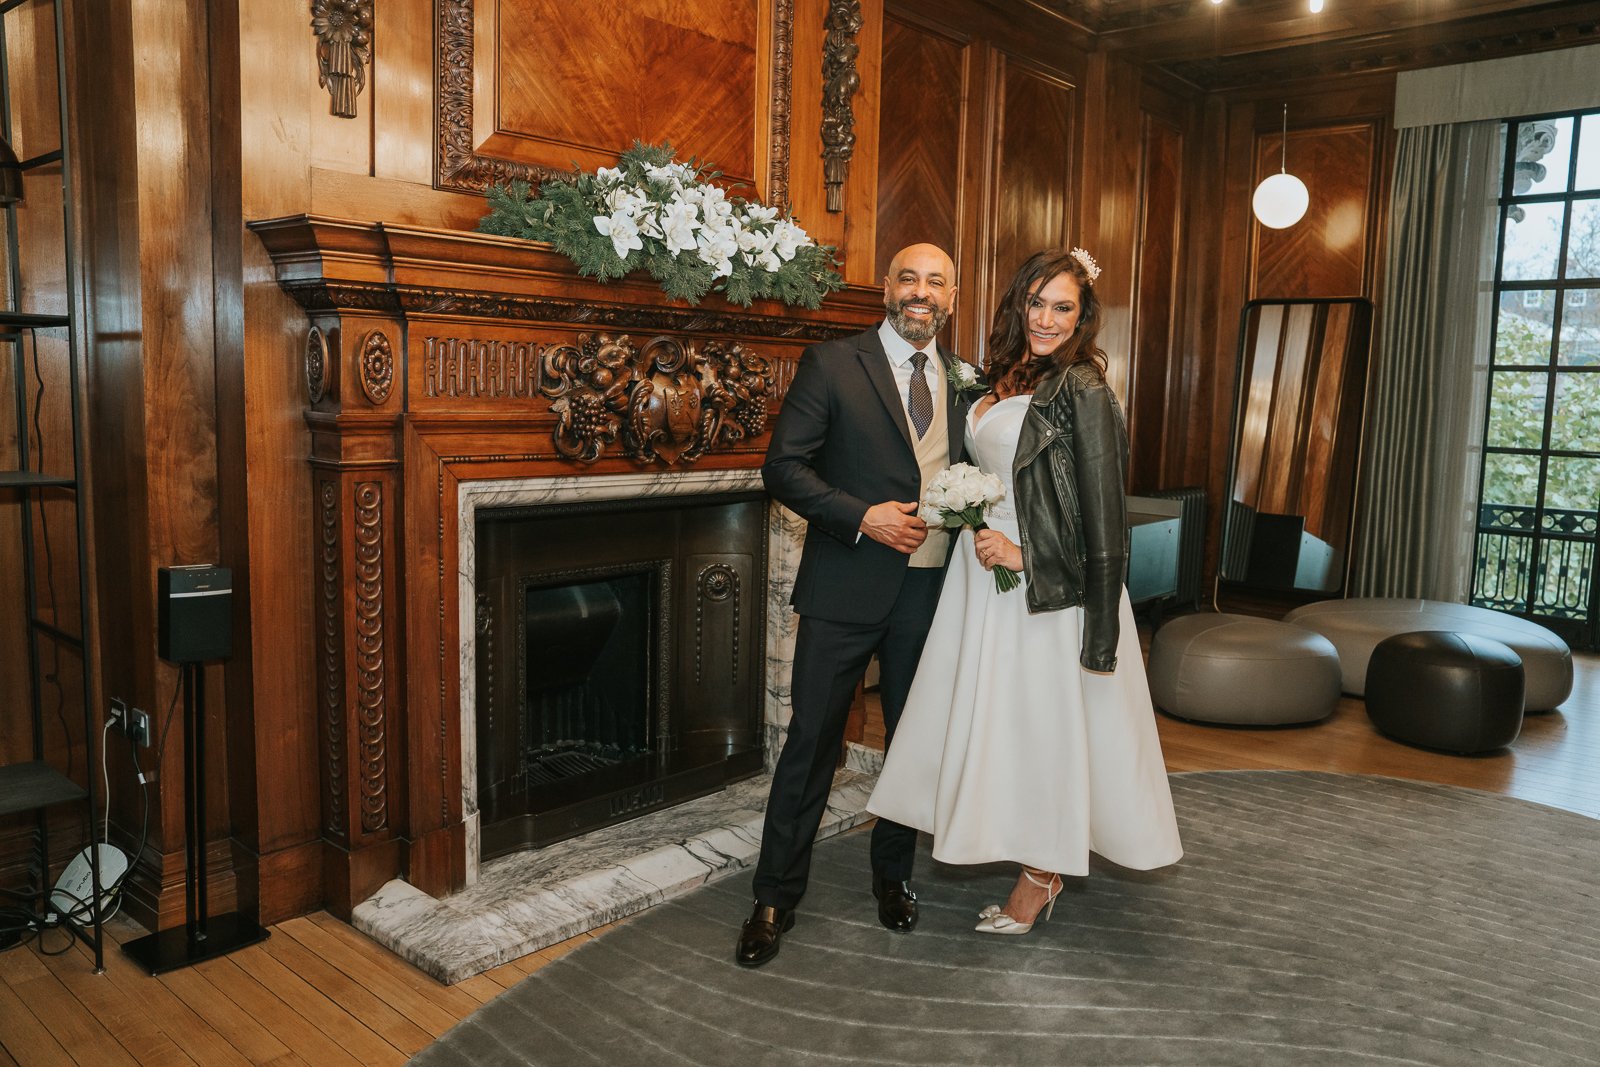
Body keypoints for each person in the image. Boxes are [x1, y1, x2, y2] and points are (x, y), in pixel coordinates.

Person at [866, 247, 1182, 935]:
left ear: (1082, 316)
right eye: (1036, 302)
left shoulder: (1085, 388)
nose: (1046, 318)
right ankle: (998, 832)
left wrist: (1027, 553)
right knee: (998, 727)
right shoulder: (994, 379)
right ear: (1017, 304)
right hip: (980, 583)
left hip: (1045, 589)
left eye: (1062, 307)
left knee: (1046, 733)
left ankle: (1042, 872)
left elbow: (1105, 521)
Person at [737, 243, 971, 967]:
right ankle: (774, 896)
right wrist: (862, 515)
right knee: (812, 744)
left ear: (952, 297)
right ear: (886, 290)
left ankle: (893, 875)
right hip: (844, 587)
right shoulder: (833, 363)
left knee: (911, 740)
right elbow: (783, 468)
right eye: (909, 278)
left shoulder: (967, 381)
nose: (921, 292)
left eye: (936, 281)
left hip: (931, 590)